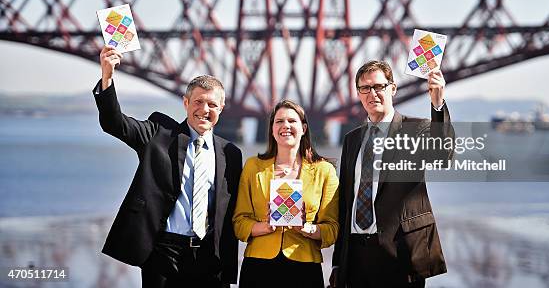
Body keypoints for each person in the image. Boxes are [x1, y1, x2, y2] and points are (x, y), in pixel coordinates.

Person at [93, 45, 242, 288]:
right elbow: (115, 123)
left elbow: (236, 205)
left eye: (212, 105)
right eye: (198, 102)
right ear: (185, 103)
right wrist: (107, 76)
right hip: (163, 253)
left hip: (210, 258)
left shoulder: (231, 153)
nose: (205, 110)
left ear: (221, 109)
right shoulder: (159, 133)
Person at [330, 60, 455, 288]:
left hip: (401, 254)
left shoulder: (417, 129)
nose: (372, 94)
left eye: (379, 86)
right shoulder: (352, 140)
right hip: (356, 256)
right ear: (358, 93)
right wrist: (338, 262)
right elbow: (346, 205)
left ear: (393, 88)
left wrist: (437, 102)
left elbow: (442, 156)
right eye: (365, 88)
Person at [233, 100, 339, 288]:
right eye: (279, 121)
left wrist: (306, 229)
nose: (285, 126)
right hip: (258, 266)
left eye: (292, 121)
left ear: (304, 128)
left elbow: (332, 229)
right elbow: (239, 223)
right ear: (272, 129)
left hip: (304, 268)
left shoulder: (325, 171)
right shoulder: (252, 167)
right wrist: (265, 226)